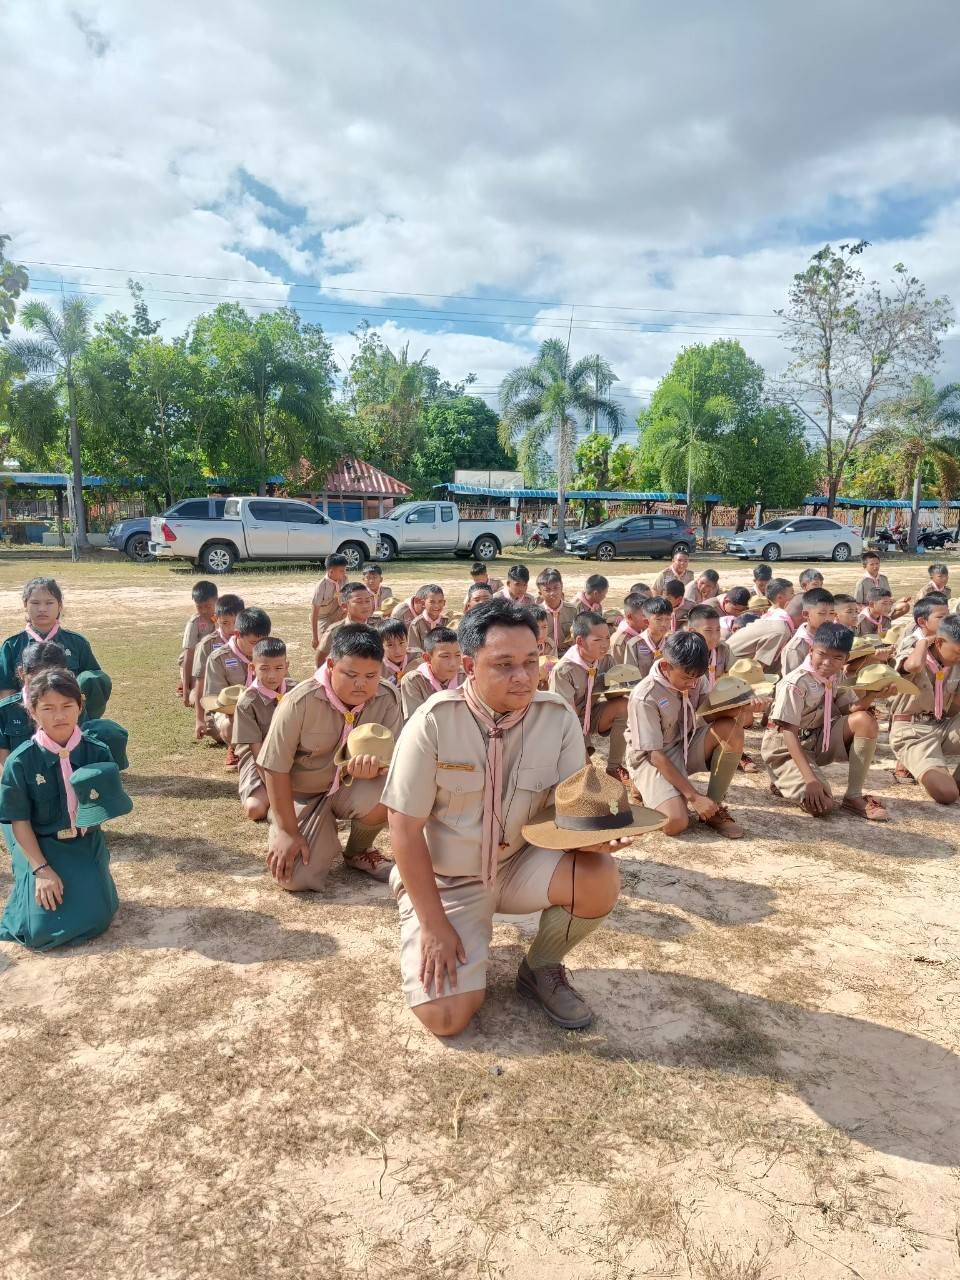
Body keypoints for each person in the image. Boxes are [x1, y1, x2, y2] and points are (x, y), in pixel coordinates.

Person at [382, 599, 641, 1035]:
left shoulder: (556, 717)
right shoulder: (434, 722)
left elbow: (568, 806)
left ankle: (540, 967)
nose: (523, 676)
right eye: (504, 665)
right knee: (445, 1017)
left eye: (530, 661)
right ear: (469, 666)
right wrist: (434, 925)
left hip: (520, 862)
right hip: (450, 879)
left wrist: (593, 838)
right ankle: (444, 924)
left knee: (598, 875)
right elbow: (403, 829)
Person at [260, 624, 403, 889]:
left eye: (371, 675)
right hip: (304, 795)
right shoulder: (299, 701)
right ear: (330, 664)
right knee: (294, 879)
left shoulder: (388, 698)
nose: (361, 684)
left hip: (353, 787)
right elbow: (274, 767)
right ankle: (293, 823)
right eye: (351, 674)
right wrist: (288, 832)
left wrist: (376, 770)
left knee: (396, 786)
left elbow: (393, 762)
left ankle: (358, 850)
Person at [0, 668, 125, 950]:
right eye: (48, 708)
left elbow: (105, 809)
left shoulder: (97, 752)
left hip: (85, 842)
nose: (59, 716)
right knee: (41, 932)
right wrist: (41, 869)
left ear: (80, 707)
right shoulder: (21, 762)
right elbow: (19, 822)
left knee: (97, 918)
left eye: (67, 706)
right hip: (40, 845)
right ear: (33, 711)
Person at [761, 622, 891, 821]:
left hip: (818, 739)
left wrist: (872, 696)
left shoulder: (836, 676)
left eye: (837, 658)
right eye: (822, 654)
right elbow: (788, 732)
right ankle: (785, 778)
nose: (827, 663)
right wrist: (810, 779)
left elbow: (848, 709)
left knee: (865, 720)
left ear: (846, 658)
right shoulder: (795, 683)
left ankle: (853, 796)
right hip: (785, 747)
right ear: (811, 650)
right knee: (823, 806)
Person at [625, 631, 745, 838]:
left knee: (731, 729)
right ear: (665, 666)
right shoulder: (645, 696)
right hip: (652, 757)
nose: (693, 684)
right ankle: (640, 784)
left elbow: (709, 715)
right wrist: (693, 797)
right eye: (687, 678)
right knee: (675, 823)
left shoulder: (695, 677)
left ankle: (713, 809)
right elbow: (654, 755)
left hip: (684, 744)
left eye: (697, 678)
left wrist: (744, 706)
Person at [0, 578, 110, 718]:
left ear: (60, 606)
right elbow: (6, 691)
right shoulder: (12, 645)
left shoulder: (77, 643)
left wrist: (83, 719)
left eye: (49, 603)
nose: (42, 609)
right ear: (25, 605)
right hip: (26, 718)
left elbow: (92, 683)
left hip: (67, 718)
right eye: (35, 603)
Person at [889, 612, 960, 803]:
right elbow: (913, 666)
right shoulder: (915, 654)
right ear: (939, 642)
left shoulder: (956, 664)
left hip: (942, 725)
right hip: (912, 731)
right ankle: (922, 766)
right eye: (958, 652)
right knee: (947, 795)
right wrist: (922, 640)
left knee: (953, 790)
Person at [549, 612, 629, 782]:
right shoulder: (564, 671)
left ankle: (614, 767)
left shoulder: (606, 660)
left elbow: (612, 697)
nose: (605, 644)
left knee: (624, 706)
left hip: (590, 714)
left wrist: (622, 685)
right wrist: (586, 762)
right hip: (566, 724)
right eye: (597, 640)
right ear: (580, 641)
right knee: (588, 777)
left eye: (607, 638)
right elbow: (565, 718)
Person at [232, 638, 294, 822]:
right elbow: (258, 753)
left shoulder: (297, 691)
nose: (272, 676)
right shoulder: (247, 702)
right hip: (260, 761)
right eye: (264, 669)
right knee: (255, 809)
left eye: (278, 668)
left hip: (293, 756)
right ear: (252, 668)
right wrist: (278, 792)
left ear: (287, 666)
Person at [204, 607, 272, 763]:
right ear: (237, 634)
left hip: (263, 706)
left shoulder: (269, 653)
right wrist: (235, 711)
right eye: (253, 643)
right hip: (230, 710)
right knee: (229, 725)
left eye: (262, 642)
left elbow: (284, 685)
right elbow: (215, 699)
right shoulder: (218, 658)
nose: (259, 648)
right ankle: (234, 747)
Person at [0, 641, 76, 765]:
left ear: (65, 673)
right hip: (21, 775)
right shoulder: (5, 710)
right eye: (36, 674)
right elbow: (4, 763)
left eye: (51, 675)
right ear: (21, 672)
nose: (43, 681)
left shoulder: (73, 705)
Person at [192, 593, 244, 742]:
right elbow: (201, 683)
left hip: (245, 702)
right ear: (216, 619)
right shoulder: (207, 645)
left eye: (236, 622)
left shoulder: (249, 641)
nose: (231, 628)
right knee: (224, 731)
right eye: (225, 623)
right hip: (220, 706)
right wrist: (199, 720)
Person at [727, 578, 796, 671]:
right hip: (731, 667)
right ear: (780, 597)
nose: (794, 596)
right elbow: (757, 666)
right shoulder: (779, 626)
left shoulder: (773, 615)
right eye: (792, 593)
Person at [401, 626, 464, 719]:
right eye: (445, 656)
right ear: (427, 658)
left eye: (457, 655)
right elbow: (416, 721)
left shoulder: (466, 677)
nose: (453, 663)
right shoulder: (414, 681)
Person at [780, 588, 836, 675]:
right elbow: (792, 680)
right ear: (806, 614)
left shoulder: (831, 636)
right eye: (822, 613)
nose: (828, 618)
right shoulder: (796, 648)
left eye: (832, 613)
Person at [179, 580, 217, 704]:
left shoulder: (223, 618)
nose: (204, 611)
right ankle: (185, 683)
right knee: (197, 698)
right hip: (196, 663)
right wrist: (186, 689)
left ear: (217, 601)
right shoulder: (195, 623)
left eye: (208, 606)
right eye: (199, 607)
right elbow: (189, 655)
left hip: (215, 663)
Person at [316, 583, 376, 661]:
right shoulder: (335, 631)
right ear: (345, 606)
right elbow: (320, 660)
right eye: (359, 602)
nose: (365, 606)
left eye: (367, 601)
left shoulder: (378, 626)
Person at [686, 604, 731, 687]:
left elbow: (731, 674)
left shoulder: (723, 648)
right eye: (708, 630)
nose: (715, 636)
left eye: (718, 630)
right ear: (693, 632)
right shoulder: (684, 654)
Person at [310, 553, 349, 648]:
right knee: (324, 644)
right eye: (341, 571)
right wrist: (315, 638)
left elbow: (347, 599)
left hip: (339, 612)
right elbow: (314, 613)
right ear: (331, 571)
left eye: (345, 569)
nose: (344, 573)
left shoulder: (344, 579)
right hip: (323, 617)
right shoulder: (321, 586)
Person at [536, 568, 576, 653]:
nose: (553, 593)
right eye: (547, 590)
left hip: (567, 653)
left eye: (556, 588)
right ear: (540, 594)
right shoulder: (536, 614)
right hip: (546, 654)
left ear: (561, 587)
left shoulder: (573, 610)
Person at [378, 618, 421, 685]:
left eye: (401, 643)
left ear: (407, 641)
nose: (397, 650)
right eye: (390, 645)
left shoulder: (418, 657)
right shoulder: (377, 667)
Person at [407, 585, 449, 652]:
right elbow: (414, 650)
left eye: (440, 601)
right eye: (432, 602)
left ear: (444, 603)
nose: (436, 606)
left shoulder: (447, 622)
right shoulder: (416, 624)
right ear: (423, 603)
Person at [610, 593, 647, 664]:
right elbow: (621, 668)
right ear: (630, 617)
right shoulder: (620, 642)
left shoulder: (643, 630)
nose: (648, 618)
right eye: (644, 615)